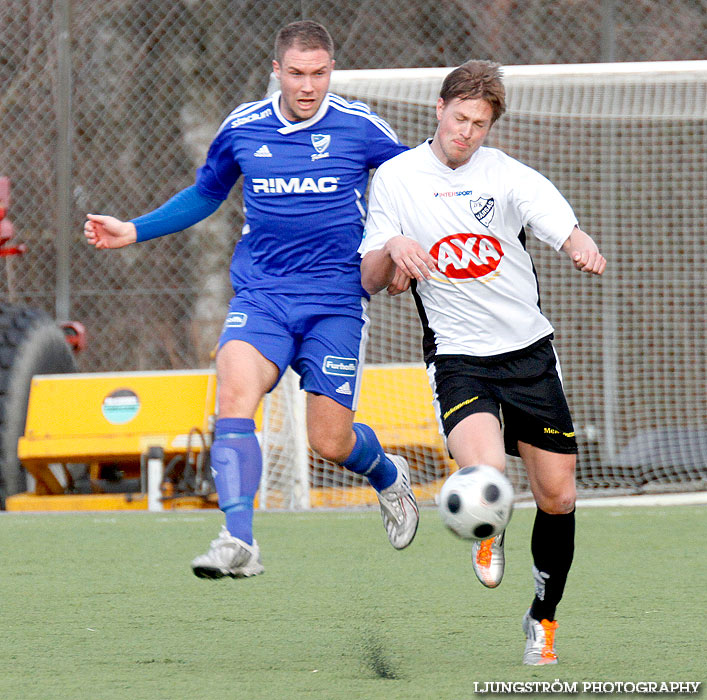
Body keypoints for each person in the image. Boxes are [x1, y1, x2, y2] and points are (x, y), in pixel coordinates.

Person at [84, 20, 419, 579]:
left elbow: (413, 185)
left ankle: (387, 475)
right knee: (234, 387)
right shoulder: (244, 126)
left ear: (331, 71)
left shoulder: (360, 127)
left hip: (335, 301)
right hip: (262, 295)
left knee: (329, 442)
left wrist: (403, 249)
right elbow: (206, 194)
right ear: (276, 72)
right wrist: (133, 230)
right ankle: (238, 539)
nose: (308, 85)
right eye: (296, 73)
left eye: (319, 73)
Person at [360, 60, 606, 665]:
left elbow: (553, 217)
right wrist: (393, 247)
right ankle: (487, 531)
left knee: (559, 498)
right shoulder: (395, 178)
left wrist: (577, 242)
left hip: (529, 356)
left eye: (480, 123)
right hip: (459, 357)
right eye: (460, 117)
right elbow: (370, 278)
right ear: (438, 107)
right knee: (487, 478)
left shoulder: (506, 174)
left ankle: (542, 622)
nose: (466, 132)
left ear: (491, 126)